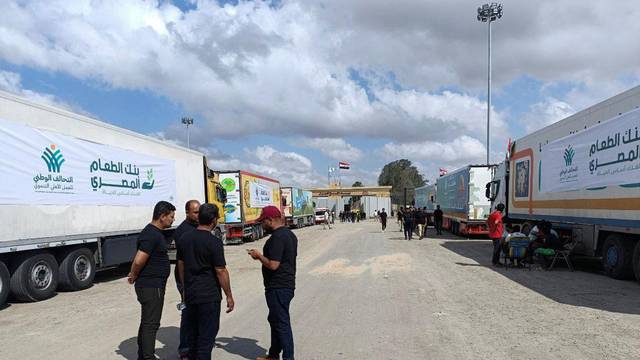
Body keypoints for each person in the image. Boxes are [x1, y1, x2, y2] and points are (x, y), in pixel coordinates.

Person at [177, 204, 234, 360]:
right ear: (214, 220)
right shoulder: (214, 242)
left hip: (191, 295)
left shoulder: (184, 239)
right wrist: (229, 295)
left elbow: (180, 265)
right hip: (209, 297)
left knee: (193, 337)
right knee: (206, 340)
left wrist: (184, 288)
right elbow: (220, 271)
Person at [127, 201, 176, 360]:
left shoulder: (154, 233)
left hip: (153, 285)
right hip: (151, 286)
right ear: (162, 216)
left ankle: (143, 355)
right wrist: (133, 274)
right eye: (171, 216)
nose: (172, 220)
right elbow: (139, 260)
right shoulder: (151, 234)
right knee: (151, 324)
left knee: (147, 321)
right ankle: (148, 357)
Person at [248, 206, 298, 360]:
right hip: (285, 285)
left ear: (270, 220)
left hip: (278, 287)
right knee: (275, 319)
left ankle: (288, 357)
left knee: (281, 323)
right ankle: (274, 354)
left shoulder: (277, 238)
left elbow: (273, 265)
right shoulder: (290, 235)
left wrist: (258, 256)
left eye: (262, 221)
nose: (261, 225)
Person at [173, 200, 201, 359]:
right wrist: (184, 286)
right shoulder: (183, 231)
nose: (198, 215)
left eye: (199, 212)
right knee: (188, 312)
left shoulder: (197, 227)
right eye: (195, 212)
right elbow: (183, 261)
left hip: (195, 278)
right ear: (187, 213)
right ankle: (184, 348)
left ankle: (194, 343)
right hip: (185, 279)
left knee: (195, 312)